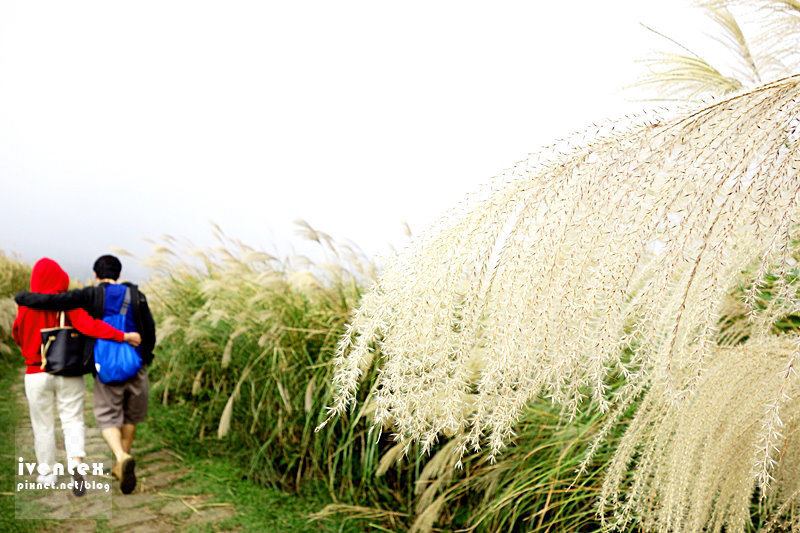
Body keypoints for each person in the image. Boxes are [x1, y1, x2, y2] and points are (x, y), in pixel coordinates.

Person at [15, 255, 156, 495]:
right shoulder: (70, 305)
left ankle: (47, 474)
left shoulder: (26, 307)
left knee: (42, 425)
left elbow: (17, 334)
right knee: (72, 420)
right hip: (67, 371)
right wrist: (123, 336)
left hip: (35, 373)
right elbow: (91, 326)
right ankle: (77, 471)